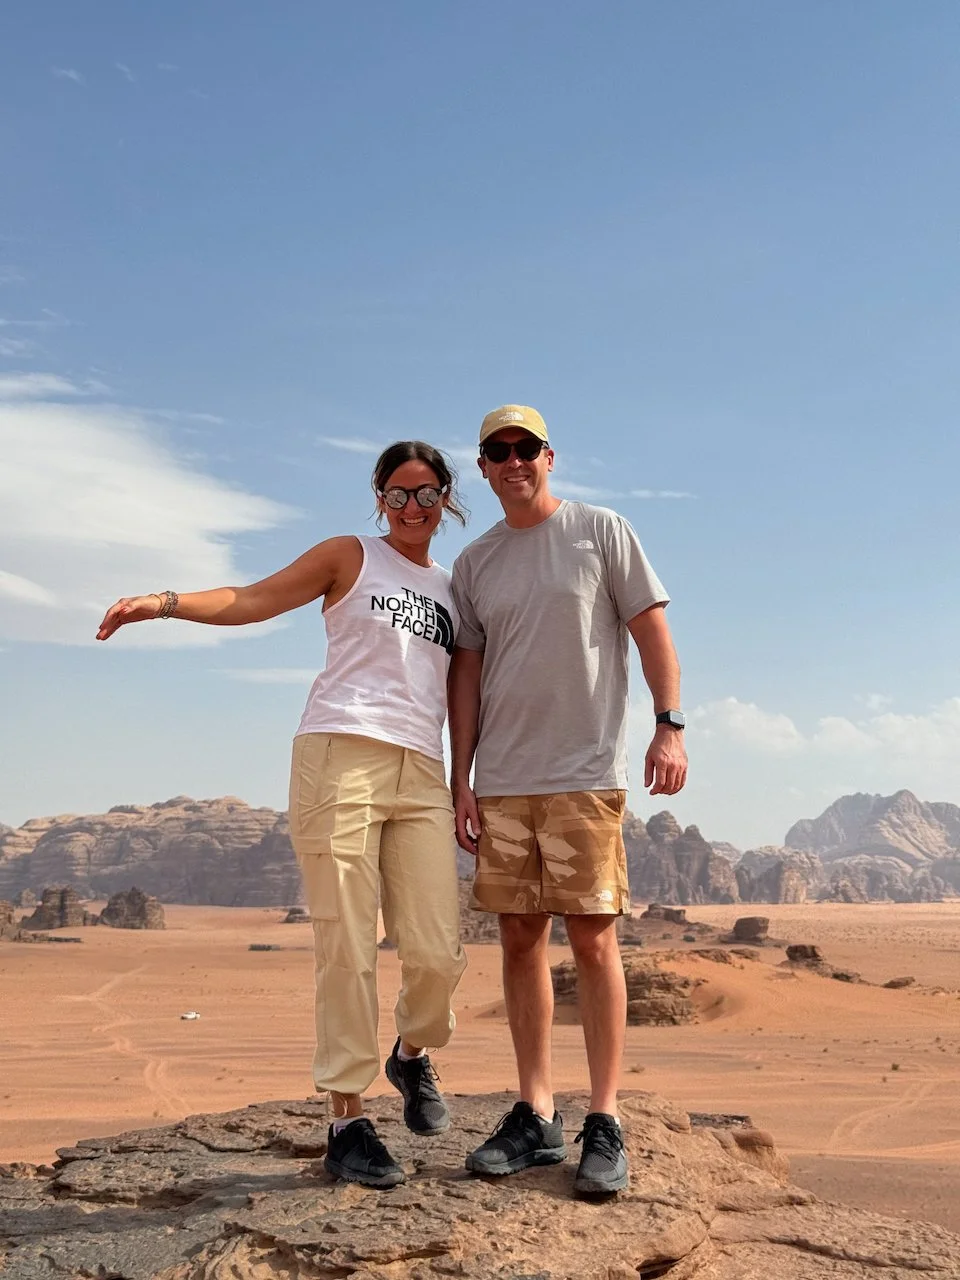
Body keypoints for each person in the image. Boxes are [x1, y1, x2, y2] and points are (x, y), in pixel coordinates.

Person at [96, 441, 469, 1190]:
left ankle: (411, 1053)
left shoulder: (454, 589)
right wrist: (164, 603)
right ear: (379, 498)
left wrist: (464, 779)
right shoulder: (348, 555)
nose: (413, 508)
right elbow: (253, 599)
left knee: (437, 952)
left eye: (427, 494)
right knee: (348, 943)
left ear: (446, 500)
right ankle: (347, 1121)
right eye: (398, 494)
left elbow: (465, 688)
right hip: (338, 754)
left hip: (422, 769)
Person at [448, 405, 687, 1197]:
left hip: (584, 772)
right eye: (498, 450)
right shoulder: (475, 563)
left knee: (592, 940)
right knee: (519, 937)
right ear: (483, 466)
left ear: (549, 457)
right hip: (504, 779)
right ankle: (536, 1112)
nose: (513, 460)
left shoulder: (601, 531)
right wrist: (461, 776)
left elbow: (652, 630)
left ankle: (605, 1118)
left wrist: (669, 726)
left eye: (526, 448)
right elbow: (467, 674)